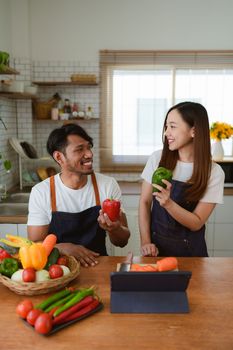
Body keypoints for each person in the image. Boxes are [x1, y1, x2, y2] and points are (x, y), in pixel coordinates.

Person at [27, 123, 130, 267]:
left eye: (89, 147)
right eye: (80, 149)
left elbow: (122, 241)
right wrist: (63, 248)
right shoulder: (42, 192)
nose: (89, 154)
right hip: (58, 270)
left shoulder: (107, 185)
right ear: (59, 157)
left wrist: (114, 229)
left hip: (97, 265)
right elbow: (34, 244)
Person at [139, 101, 225, 257]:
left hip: (192, 255)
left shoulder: (213, 172)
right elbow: (145, 202)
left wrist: (169, 204)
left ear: (194, 131)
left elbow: (197, 222)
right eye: (166, 127)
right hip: (156, 252)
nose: (166, 133)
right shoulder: (157, 159)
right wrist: (145, 242)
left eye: (172, 126)